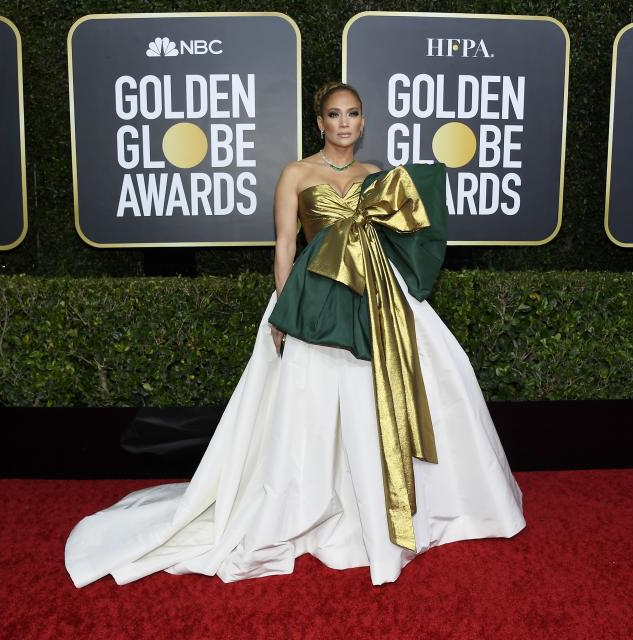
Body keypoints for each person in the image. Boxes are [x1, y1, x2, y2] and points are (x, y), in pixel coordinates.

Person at [64, 81, 526, 588]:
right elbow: (285, 246)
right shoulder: (297, 174)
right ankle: (316, 508)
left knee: (419, 387)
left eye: (353, 113)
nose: (344, 122)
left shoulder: (379, 175)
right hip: (317, 302)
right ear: (320, 122)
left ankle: (408, 508)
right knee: (312, 411)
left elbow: (409, 238)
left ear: (363, 121)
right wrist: (284, 312)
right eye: (334, 114)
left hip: (380, 301)